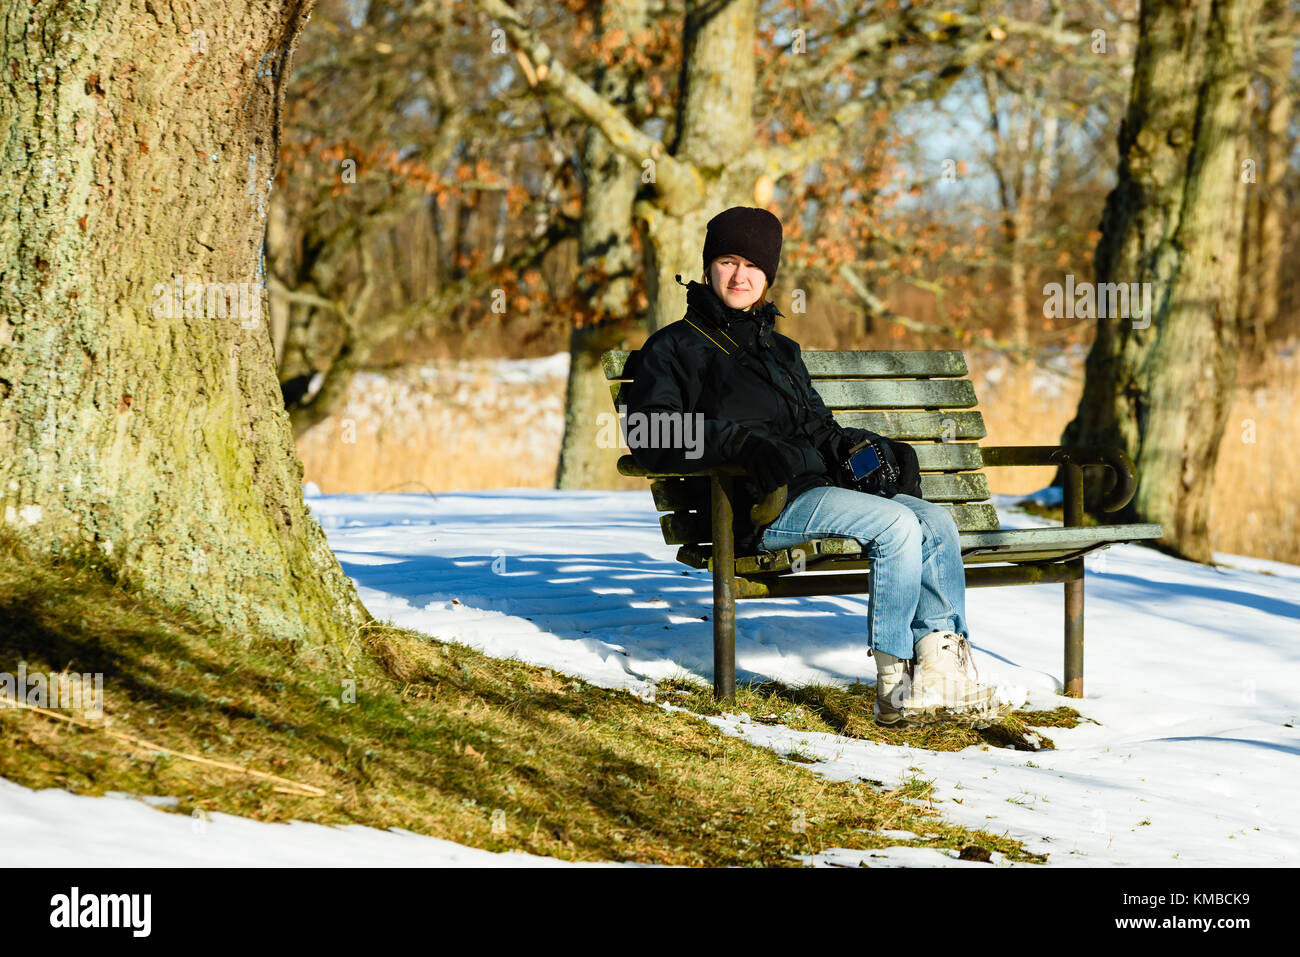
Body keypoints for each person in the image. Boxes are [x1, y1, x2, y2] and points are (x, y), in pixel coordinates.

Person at [624, 206, 1016, 728]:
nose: (740, 277)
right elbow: (651, 434)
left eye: (753, 266)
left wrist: (863, 447)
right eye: (727, 261)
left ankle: (941, 671)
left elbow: (817, 426)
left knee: (934, 521)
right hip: (758, 506)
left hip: (819, 490)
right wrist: (738, 443)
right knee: (897, 526)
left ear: (769, 275)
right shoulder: (673, 348)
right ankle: (893, 686)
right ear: (706, 267)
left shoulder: (778, 348)